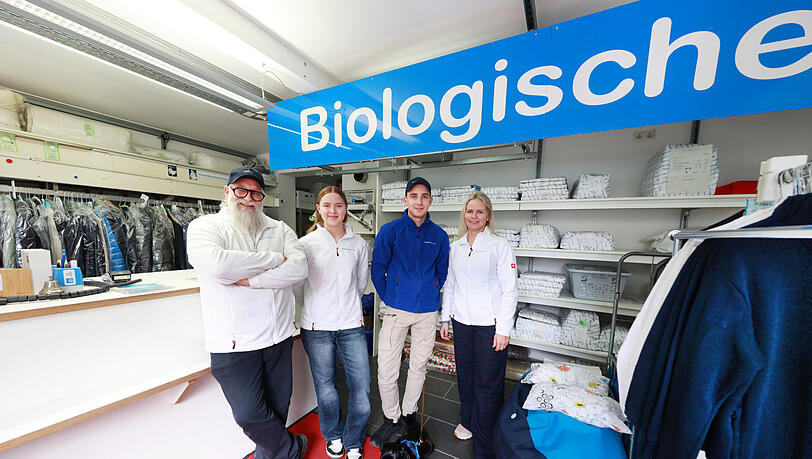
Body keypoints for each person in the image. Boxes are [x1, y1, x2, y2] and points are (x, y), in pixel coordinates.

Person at [187, 166, 309, 459]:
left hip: (278, 339)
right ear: (227, 192)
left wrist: (252, 280)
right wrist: (274, 259)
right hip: (233, 345)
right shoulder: (205, 227)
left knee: (278, 408)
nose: (248, 198)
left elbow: (300, 268)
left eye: (255, 192)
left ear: (262, 198)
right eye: (241, 190)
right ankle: (292, 449)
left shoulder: (279, 229)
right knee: (249, 414)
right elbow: (219, 266)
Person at [369, 177, 450, 448]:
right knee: (387, 369)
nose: (419, 201)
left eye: (424, 196)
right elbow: (378, 267)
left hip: (427, 311)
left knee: (418, 367)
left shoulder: (438, 235)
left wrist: (432, 291)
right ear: (405, 200)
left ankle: (408, 414)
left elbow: (442, 271)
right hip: (395, 310)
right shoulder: (390, 231)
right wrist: (390, 296)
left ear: (430, 200)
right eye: (413, 196)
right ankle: (391, 418)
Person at [439, 190, 518, 459]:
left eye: (479, 212)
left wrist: (503, 329)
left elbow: (510, 290)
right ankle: (469, 420)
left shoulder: (499, 246)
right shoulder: (456, 247)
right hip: (462, 322)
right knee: (466, 376)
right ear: (464, 215)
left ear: (488, 216)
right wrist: (445, 317)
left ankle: (485, 443)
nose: (474, 216)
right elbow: (450, 285)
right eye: (470, 211)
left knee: (487, 382)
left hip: (489, 326)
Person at [295, 186, 370, 459]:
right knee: (325, 386)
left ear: (345, 209)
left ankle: (353, 440)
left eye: (338, 205)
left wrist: (346, 304)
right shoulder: (305, 245)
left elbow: (360, 284)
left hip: (351, 325)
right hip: (317, 327)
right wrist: (317, 306)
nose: (333, 211)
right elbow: (298, 287)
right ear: (318, 209)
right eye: (327, 205)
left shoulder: (359, 244)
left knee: (361, 386)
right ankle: (334, 435)